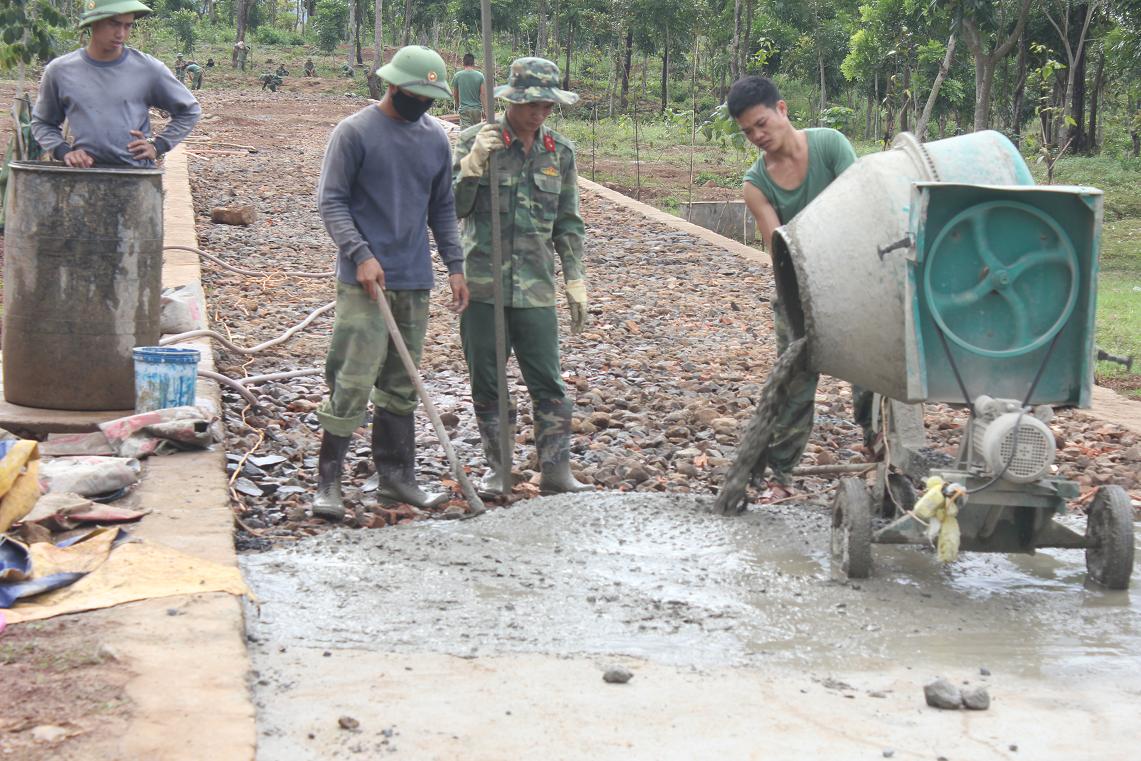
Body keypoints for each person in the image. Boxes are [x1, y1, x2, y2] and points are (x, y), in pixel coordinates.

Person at [313, 46, 468, 521]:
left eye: (431, 97)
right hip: (365, 283)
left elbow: (442, 207)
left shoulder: (436, 140)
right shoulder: (355, 133)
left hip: (413, 279)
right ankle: (329, 483)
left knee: (402, 384)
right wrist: (360, 255)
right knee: (353, 378)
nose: (424, 104)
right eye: (417, 94)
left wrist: (455, 265)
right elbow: (332, 202)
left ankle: (396, 480)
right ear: (394, 86)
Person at [451, 57, 591, 497]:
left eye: (548, 105)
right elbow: (453, 209)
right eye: (532, 103)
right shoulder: (478, 140)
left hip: (534, 288)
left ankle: (556, 470)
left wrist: (575, 278)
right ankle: (499, 469)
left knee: (548, 381)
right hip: (482, 284)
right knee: (487, 383)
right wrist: (472, 166)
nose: (540, 113)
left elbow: (568, 222)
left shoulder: (560, 153)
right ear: (512, 100)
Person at [729, 75, 873, 497]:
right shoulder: (757, 184)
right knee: (794, 382)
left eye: (761, 124)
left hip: (856, 280)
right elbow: (780, 249)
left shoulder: (830, 146)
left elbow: (861, 204)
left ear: (782, 110)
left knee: (872, 375)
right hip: (799, 290)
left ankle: (880, 449)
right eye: (748, 132)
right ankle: (779, 473)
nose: (758, 136)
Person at [31, 0, 201, 168]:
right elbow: (43, 122)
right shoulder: (60, 71)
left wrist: (159, 145)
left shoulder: (148, 69)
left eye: (128, 26)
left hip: (136, 178)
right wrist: (63, 151)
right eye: (113, 24)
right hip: (83, 177)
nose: (121, 33)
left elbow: (189, 110)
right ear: (94, 23)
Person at [451, 53, 484, 130]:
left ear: (463, 63)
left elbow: (455, 94)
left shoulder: (457, 76)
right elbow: (483, 94)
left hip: (464, 109)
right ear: (473, 63)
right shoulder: (480, 76)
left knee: (466, 134)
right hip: (477, 109)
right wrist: (485, 110)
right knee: (475, 132)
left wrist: (458, 105)